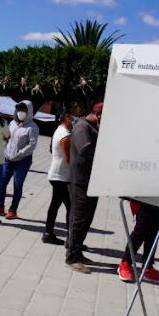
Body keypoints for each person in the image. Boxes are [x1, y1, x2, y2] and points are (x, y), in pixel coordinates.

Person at [65, 102, 103, 274]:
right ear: (97, 115)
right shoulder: (82, 127)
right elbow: (85, 149)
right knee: (78, 220)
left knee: (86, 220)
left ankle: (78, 253)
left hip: (90, 181)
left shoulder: (91, 127)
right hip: (80, 181)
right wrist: (107, 152)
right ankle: (72, 257)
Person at [0, 100, 39, 220]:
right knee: (2, 182)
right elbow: (7, 138)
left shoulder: (33, 127)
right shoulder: (12, 123)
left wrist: (19, 154)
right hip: (8, 159)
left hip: (22, 161)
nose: (21, 112)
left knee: (17, 185)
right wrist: (5, 150)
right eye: (19, 109)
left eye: (24, 110)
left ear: (29, 111)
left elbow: (32, 145)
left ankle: (12, 210)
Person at [42, 104, 78, 245]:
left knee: (55, 204)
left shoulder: (60, 130)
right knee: (70, 206)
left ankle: (48, 233)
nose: (77, 117)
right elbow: (70, 159)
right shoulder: (65, 135)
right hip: (61, 176)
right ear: (67, 116)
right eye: (75, 114)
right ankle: (71, 239)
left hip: (57, 174)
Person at [117, 202, 159, 284]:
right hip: (145, 196)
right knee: (141, 230)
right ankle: (125, 263)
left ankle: (147, 267)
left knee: (154, 233)